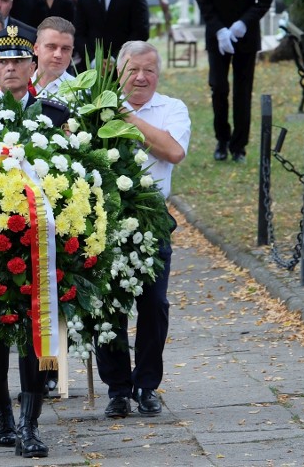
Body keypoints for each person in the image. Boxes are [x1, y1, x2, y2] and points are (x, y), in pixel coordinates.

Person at [0, 25, 69, 459]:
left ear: (33, 66)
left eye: (18, 61)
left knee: (38, 328)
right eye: (2, 61)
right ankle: (1, 414)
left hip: (42, 240)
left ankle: (30, 424)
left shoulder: (54, 115)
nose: (10, 67)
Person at [94, 40, 190, 420]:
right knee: (109, 305)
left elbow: (172, 151)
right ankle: (117, 389)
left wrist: (123, 117)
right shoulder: (96, 107)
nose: (141, 77)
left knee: (154, 304)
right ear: (119, 72)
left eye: (149, 70)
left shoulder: (171, 108)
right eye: (133, 69)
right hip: (108, 217)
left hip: (151, 215)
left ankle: (147, 385)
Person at [196, 0, 272, 163]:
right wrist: (219, 29)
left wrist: (243, 24)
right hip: (217, 39)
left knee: (243, 91)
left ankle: (239, 145)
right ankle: (222, 140)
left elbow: (265, 0)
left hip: (246, 39)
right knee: (219, 88)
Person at [32, 16, 75, 99]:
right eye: (51, 47)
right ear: (36, 49)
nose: (58, 54)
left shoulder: (82, 93)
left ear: (72, 52)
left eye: (65, 49)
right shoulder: (19, 87)